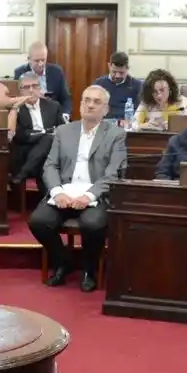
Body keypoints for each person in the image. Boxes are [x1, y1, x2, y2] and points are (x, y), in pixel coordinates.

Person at [30, 85, 127, 293]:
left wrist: (89, 195)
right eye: (86, 100)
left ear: (106, 109)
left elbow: (113, 173)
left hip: (96, 194)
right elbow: (50, 165)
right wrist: (57, 192)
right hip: (65, 190)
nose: (90, 105)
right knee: (39, 222)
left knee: (92, 224)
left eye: (96, 102)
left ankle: (89, 269)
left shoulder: (116, 135)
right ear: (80, 104)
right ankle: (63, 262)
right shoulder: (64, 131)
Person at [8, 71, 61, 191]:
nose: (31, 90)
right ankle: (47, 201)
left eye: (35, 86)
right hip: (25, 152)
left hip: (50, 153)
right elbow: (21, 135)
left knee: (47, 149)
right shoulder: (16, 109)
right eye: (26, 87)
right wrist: (45, 133)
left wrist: (44, 134)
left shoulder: (53, 106)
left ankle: (22, 174)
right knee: (47, 140)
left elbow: (61, 129)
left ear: (40, 88)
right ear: (20, 91)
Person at [13, 41, 72, 112]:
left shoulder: (57, 71)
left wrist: (66, 114)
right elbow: (17, 98)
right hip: (29, 112)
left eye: (43, 60)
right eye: (37, 61)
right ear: (29, 59)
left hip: (53, 113)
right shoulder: (20, 72)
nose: (40, 64)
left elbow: (65, 98)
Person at [93, 51, 144, 121]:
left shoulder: (137, 85)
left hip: (127, 124)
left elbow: (140, 111)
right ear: (109, 66)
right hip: (104, 124)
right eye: (114, 72)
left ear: (127, 68)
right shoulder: (99, 83)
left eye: (121, 72)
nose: (117, 76)